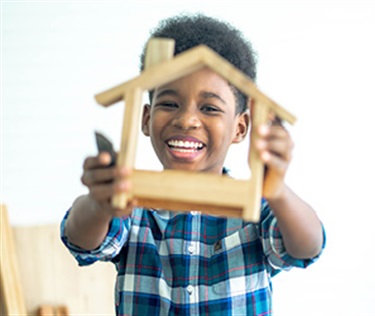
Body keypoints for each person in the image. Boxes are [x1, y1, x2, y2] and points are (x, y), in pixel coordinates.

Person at [61, 14, 325, 315]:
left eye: (210, 108)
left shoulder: (255, 204)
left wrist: (277, 191)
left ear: (240, 129)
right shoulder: (131, 204)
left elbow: (308, 247)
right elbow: (80, 239)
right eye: (169, 103)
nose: (186, 120)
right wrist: (99, 203)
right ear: (146, 119)